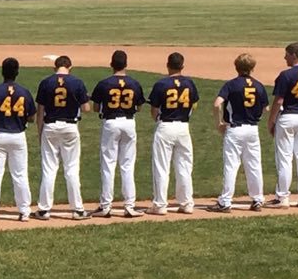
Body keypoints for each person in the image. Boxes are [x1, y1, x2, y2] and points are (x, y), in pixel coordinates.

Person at [91, 50, 146, 218]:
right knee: (127, 165)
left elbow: (95, 107)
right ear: (126, 64)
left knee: (108, 165)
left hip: (110, 123)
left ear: (111, 64)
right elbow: (140, 106)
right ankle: (129, 205)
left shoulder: (104, 83)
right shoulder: (134, 83)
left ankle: (106, 205)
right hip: (129, 123)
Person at [35, 55, 91, 220]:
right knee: (72, 169)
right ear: (70, 67)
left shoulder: (46, 82)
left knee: (49, 169)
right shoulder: (77, 82)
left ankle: (44, 209)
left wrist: (40, 132)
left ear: (55, 67)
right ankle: (78, 209)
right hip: (70, 127)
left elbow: (40, 111)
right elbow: (87, 108)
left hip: (50, 126)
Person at [211, 54, 269, 213]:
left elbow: (217, 105)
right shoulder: (259, 86)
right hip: (252, 129)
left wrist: (219, 124)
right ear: (252, 67)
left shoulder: (231, 85)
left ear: (236, 67)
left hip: (234, 129)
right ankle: (257, 199)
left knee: (231, 166)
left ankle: (225, 201)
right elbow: (266, 108)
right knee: (254, 165)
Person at [0, 58, 36, 222]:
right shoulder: (24, 92)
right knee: (20, 175)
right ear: (17, 72)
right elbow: (32, 117)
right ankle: (24, 211)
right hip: (18, 136)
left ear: (2, 72)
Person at [148, 53, 199, 215]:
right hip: (183, 127)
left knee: (161, 167)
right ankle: (187, 203)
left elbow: (154, 109)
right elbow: (194, 104)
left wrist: (158, 119)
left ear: (167, 65)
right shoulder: (190, 83)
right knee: (184, 167)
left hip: (165, 126)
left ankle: (160, 205)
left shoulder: (161, 84)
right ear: (182, 66)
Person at [268, 42, 298, 209]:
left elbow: (279, 100)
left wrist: (271, 120)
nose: (285, 57)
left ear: (294, 55)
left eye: (287, 54)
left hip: (287, 117)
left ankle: (283, 197)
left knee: (284, 159)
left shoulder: (285, 75)